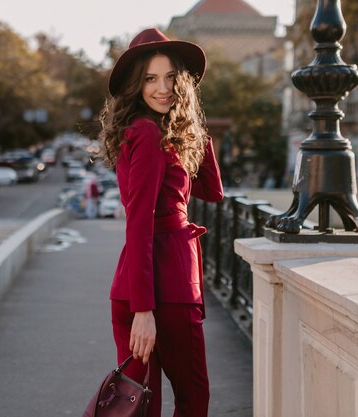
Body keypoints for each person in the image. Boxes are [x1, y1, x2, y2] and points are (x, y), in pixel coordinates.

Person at [99, 28, 223, 417]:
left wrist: (190, 123)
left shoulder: (147, 132)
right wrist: (145, 311)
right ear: (136, 85)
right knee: (192, 398)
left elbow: (211, 189)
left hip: (141, 289)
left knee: (138, 405)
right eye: (151, 79)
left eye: (171, 78)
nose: (162, 88)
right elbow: (138, 224)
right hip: (162, 290)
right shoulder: (150, 135)